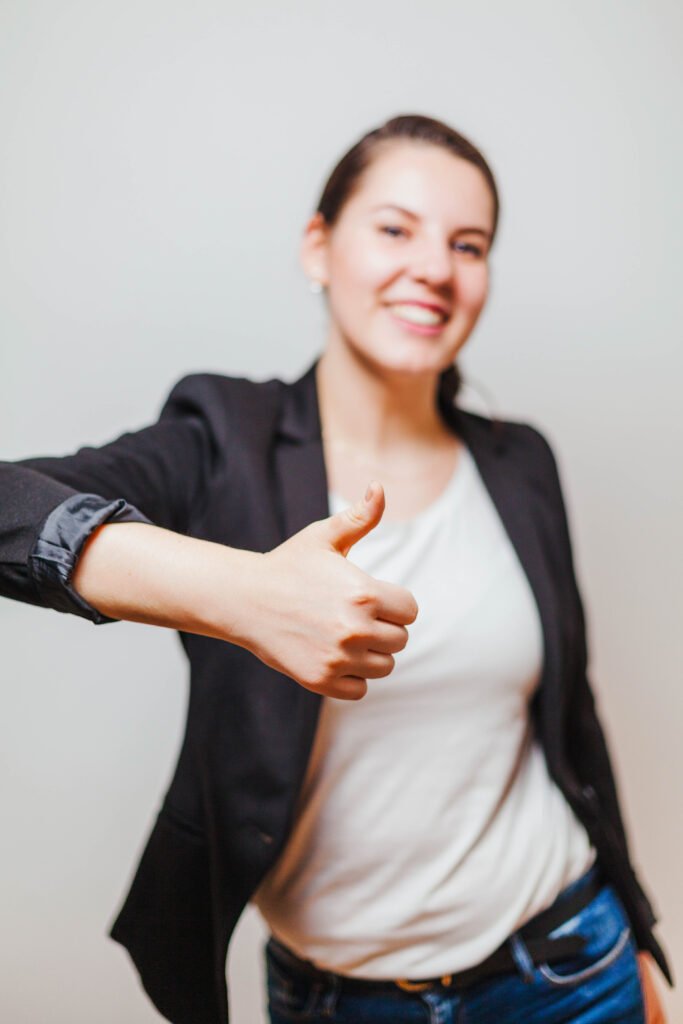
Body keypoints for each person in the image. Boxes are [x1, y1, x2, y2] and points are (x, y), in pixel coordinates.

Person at [0, 115, 671, 1024]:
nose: (434, 267)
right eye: (395, 229)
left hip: (566, 970)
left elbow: (572, 720)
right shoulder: (222, 441)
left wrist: (636, 938)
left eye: (466, 244)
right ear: (318, 247)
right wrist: (242, 596)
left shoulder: (521, 464)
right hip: (335, 1001)